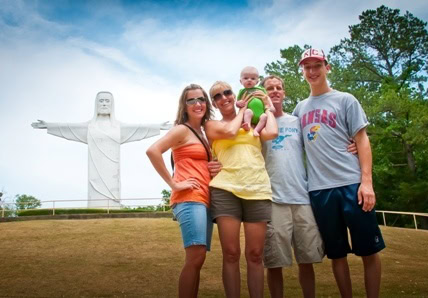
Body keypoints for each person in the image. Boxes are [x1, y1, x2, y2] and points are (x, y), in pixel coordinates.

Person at [293, 48, 385, 298]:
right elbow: (287, 144)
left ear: (327, 67)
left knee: (368, 250)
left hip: (351, 185)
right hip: (319, 190)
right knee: (337, 254)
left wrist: (366, 183)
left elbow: (362, 141)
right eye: (307, 67)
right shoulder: (299, 109)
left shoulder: (346, 100)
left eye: (317, 66)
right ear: (302, 71)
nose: (312, 71)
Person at [31, 91, 170, 208]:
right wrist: (48, 126)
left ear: (112, 105)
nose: (104, 104)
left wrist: (158, 127)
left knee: (113, 193)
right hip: (95, 169)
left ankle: (113, 206)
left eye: (107, 101)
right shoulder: (89, 127)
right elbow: (68, 127)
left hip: (112, 170)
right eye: (101, 101)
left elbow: (139, 128)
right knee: (95, 192)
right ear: (96, 105)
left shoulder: (119, 127)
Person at [205, 81, 278, 298]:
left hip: (257, 188)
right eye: (217, 96)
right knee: (231, 253)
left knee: (255, 254)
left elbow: (272, 132)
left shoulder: (255, 123)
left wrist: (267, 107)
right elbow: (228, 131)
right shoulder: (211, 125)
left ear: (234, 94)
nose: (224, 97)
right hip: (225, 189)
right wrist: (243, 110)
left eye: (227, 92)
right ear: (214, 103)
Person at [146, 84, 214, 298]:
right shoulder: (181, 130)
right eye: (191, 100)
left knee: (199, 258)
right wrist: (174, 184)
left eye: (201, 99)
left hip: (204, 199)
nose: (197, 104)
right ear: (184, 106)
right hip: (189, 198)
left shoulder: (203, 133)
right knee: (195, 257)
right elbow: (152, 151)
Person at [260, 75, 325, 298]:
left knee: (307, 261)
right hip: (274, 199)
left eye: (279, 88)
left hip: (302, 198)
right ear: (263, 94)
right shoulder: (258, 125)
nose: (275, 91)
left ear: (284, 93)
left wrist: (351, 145)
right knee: (274, 262)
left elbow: (320, 144)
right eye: (270, 88)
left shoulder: (297, 121)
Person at [236, 66, 275, 137]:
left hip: (261, 113)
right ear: (241, 81)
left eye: (253, 78)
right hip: (250, 113)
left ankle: (256, 130)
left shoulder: (261, 89)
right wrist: (238, 103)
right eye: (246, 78)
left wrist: (271, 106)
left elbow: (267, 98)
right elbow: (238, 102)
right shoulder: (242, 91)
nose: (249, 80)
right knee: (248, 111)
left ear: (257, 81)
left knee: (264, 116)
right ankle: (248, 126)